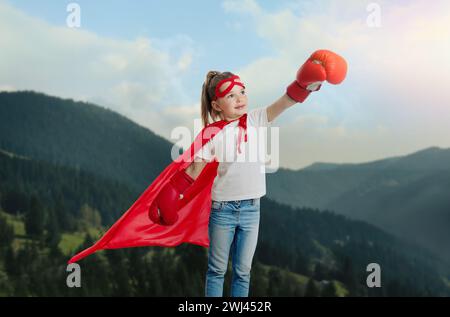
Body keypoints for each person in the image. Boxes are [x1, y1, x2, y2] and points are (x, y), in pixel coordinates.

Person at [149, 49, 347, 297]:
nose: (240, 98)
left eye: (242, 91)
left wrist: (305, 83)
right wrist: (173, 192)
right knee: (217, 270)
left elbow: (286, 101)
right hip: (223, 210)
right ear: (216, 105)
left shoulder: (256, 119)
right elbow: (195, 168)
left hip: (253, 209)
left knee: (243, 272)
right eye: (231, 95)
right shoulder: (213, 133)